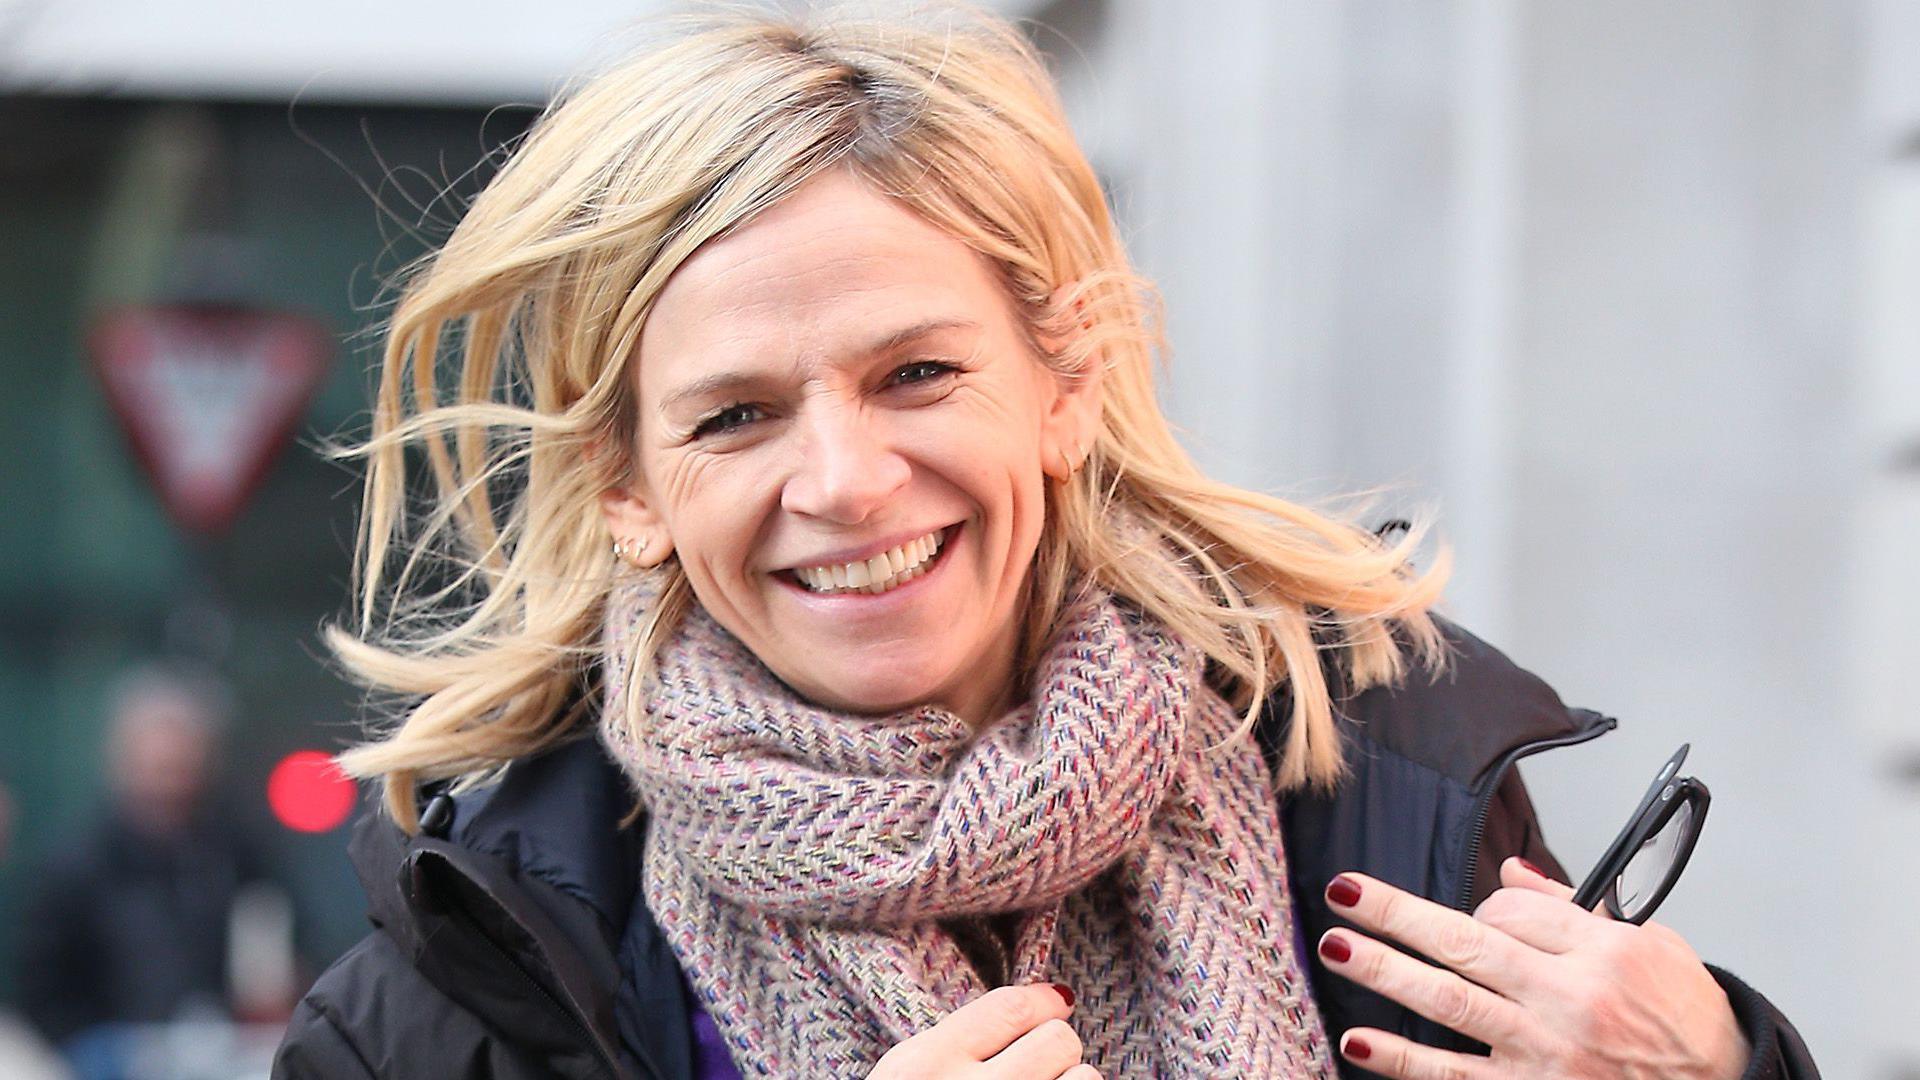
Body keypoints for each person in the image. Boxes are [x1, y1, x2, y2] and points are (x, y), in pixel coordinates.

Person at [274, 6, 1818, 1078]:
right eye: (735, 416)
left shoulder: (1375, 788)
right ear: (629, 486)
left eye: (917, 375)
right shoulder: (450, 994)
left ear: (1065, 384)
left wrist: (1721, 1065)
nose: (848, 479)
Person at [19, 665, 279, 1073]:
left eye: (180, 764)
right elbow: (43, 982)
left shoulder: (235, 850)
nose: (169, 782)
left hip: (220, 1045)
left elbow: (274, 944)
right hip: (109, 1050)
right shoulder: (79, 861)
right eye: (158, 765)